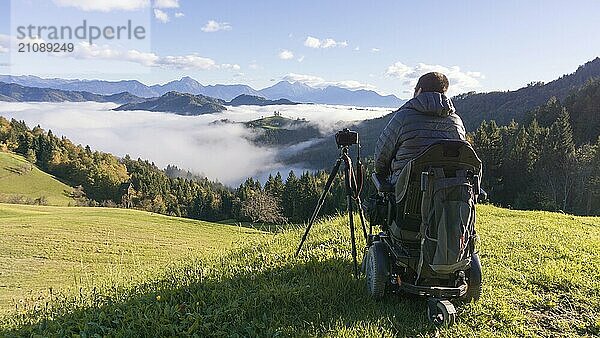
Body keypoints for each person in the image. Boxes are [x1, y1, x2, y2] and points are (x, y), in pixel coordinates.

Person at [374, 72, 466, 185]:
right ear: (444, 93)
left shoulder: (403, 118)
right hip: (448, 191)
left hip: (406, 193)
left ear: (419, 90)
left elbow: (381, 159)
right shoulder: (456, 122)